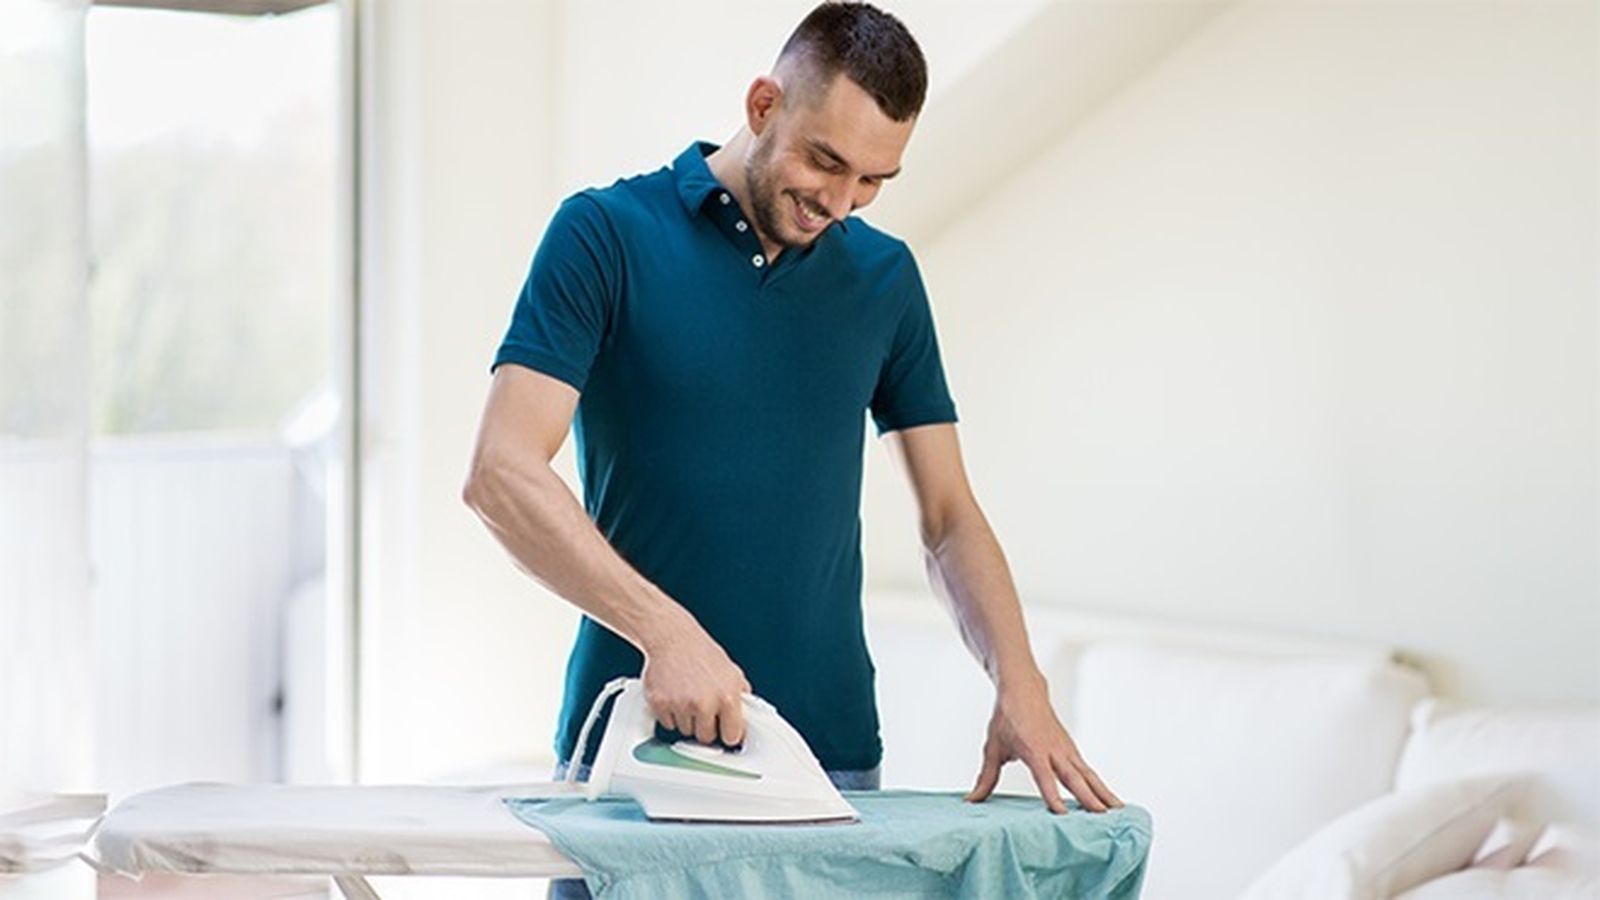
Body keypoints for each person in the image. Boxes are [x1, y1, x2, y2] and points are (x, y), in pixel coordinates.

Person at [464, 4, 1123, 893]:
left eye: (873, 180)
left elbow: (948, 515)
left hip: (830, 768)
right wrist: (665, 632)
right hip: (635, 768)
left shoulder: (885, 280)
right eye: (825, 160)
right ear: (765, 103)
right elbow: (502, 474)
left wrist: (1022, 684)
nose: (840, 202)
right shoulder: (605, 235)